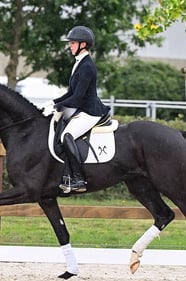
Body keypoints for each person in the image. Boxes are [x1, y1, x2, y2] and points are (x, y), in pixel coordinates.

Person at [52, 26, 110, 193]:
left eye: (72, 43)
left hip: (91, 112)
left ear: (83, 44)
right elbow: (71, 93)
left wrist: (58, 107)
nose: (70, 46)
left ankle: (78, 179)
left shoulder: (87, 66)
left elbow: (77, 98)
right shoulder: (79, 63)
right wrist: (53, 102)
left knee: (66, 135)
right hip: (82, 109)